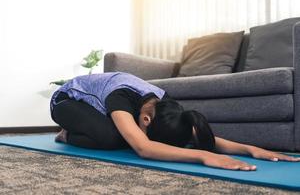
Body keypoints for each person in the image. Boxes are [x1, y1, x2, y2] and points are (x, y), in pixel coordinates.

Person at [50, 72, 300, 171]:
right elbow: (144, 148)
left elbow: (191, 132)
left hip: (101, 110)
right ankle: (66, 134)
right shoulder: (121, 99)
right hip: (67, 103)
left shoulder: (165, 104)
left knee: (122, 136)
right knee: (114, 138)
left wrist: (248, 149)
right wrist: (204, 156)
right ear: (145, 119)